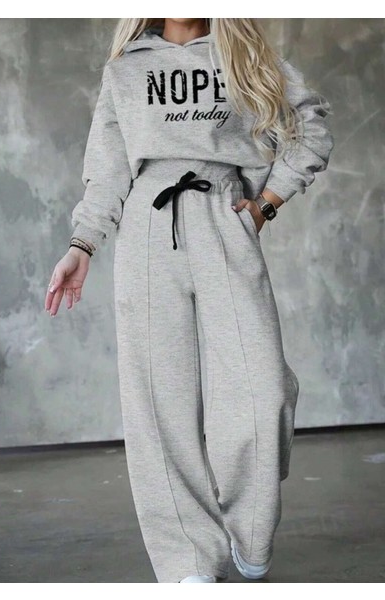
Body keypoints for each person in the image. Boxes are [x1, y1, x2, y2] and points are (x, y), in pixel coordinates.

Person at [44, 18, 334, 583]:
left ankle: (251, 527)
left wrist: (266, 203)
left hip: (224, 211)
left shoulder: (245, 56)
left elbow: (311, 128)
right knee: (159, 400)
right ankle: (188, 562)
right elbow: (107, 169)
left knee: (262, 390)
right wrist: (82, 244)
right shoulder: (125, 69)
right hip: (147, 223)